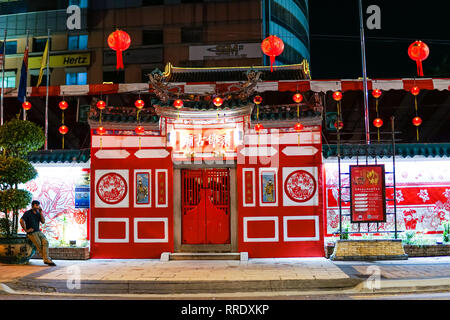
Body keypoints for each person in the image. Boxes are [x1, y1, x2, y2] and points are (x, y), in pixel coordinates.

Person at [20, 200, 56, 266]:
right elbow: (21, 220)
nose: (38, 206)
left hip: (38, 231)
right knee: (39, 246)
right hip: (32, 233)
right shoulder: (28, 213)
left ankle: (46, 259)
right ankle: (47, 259)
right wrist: (26, 230)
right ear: (32, 206)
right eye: (36, 205)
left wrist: (41, 213)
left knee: (46, 242)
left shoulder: (38, 213)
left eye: (38, 205)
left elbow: (43, 221)